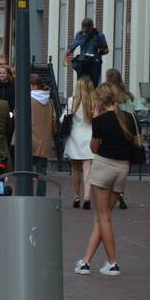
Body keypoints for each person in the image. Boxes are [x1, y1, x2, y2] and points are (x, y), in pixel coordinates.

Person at [73, 83, 141, 277]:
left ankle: (113, 263)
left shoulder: (100, 121)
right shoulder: (130, 118)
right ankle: (85, 262)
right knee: (103, 217)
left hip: (104, 167)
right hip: (122, 169)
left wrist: (95, 119)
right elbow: (137, 143)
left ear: (102, 100)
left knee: (103, 217)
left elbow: (94, 149)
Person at [104, 68, 146, 210]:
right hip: (126, 133)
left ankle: (112, 191)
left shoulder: (107, 95)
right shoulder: (127, 96)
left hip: (110, 133)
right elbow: (143, 111)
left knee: (108, 164)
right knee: (123, 166)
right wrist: (133, 116)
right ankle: (119, 191)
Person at [64, 77, 97, 210]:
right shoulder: (94, 101)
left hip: (75, 136)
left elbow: (63, 118)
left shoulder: (72, 101)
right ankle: (87, 197)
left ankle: (77, 196)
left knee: (75, 169)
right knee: (87, 168)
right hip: (89, 136)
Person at [29, 74, 56, 197]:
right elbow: (54, 121)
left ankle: (26, 196)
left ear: (34, 85)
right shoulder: (49, 101)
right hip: (44, 141)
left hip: (29, 141)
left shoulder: (28, 100)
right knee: (42, 173)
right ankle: (41, 197)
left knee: (25, 171)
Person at [65, 18, 109, 88]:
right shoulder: (80, 34)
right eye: (84, 30)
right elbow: (72, 47)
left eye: (87, 30)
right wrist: (65, 56)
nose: (85, 32)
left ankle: (91, 97)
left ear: (91, 27)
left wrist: (100, 52)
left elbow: (106, 50)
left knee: (93, 85)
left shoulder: (99, 35)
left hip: (94, 63)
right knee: (81, 84)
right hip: (82, 62)